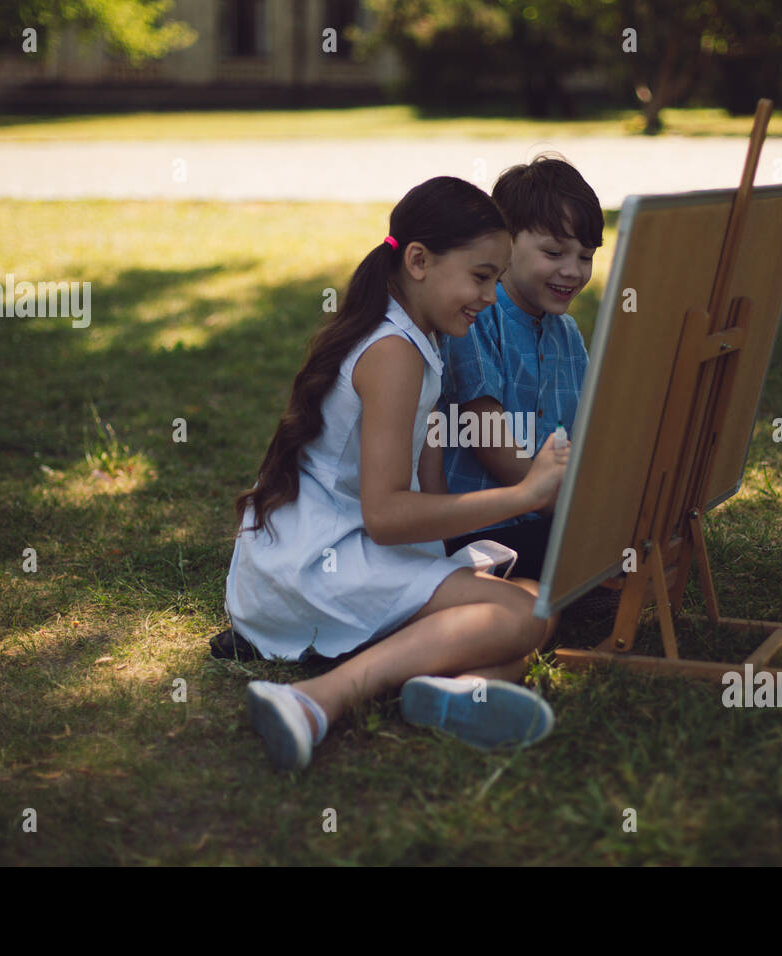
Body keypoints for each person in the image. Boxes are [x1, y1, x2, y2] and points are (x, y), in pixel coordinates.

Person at [224, 176, 571, 771]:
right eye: (480, 276)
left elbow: (424, 499)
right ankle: (316, 700)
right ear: (418, 261)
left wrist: (451, 569)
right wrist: (524, 494)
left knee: (537, 599)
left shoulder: (419, 339)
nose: (490, 296)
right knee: (528, 614)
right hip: (314, 570)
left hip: (335, 551)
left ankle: (460, 686)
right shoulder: (394, 354)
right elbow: (387, 518)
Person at [437, 156, 606, 584]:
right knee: (590, 545)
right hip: (475, 531)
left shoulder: (566, 334)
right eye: (554, 252)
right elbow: (486, 436)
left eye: (585, 256)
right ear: (506, 245)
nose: (573, 271)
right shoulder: (475, 317)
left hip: (536, 515)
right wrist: (568, 506)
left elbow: (582, 437)